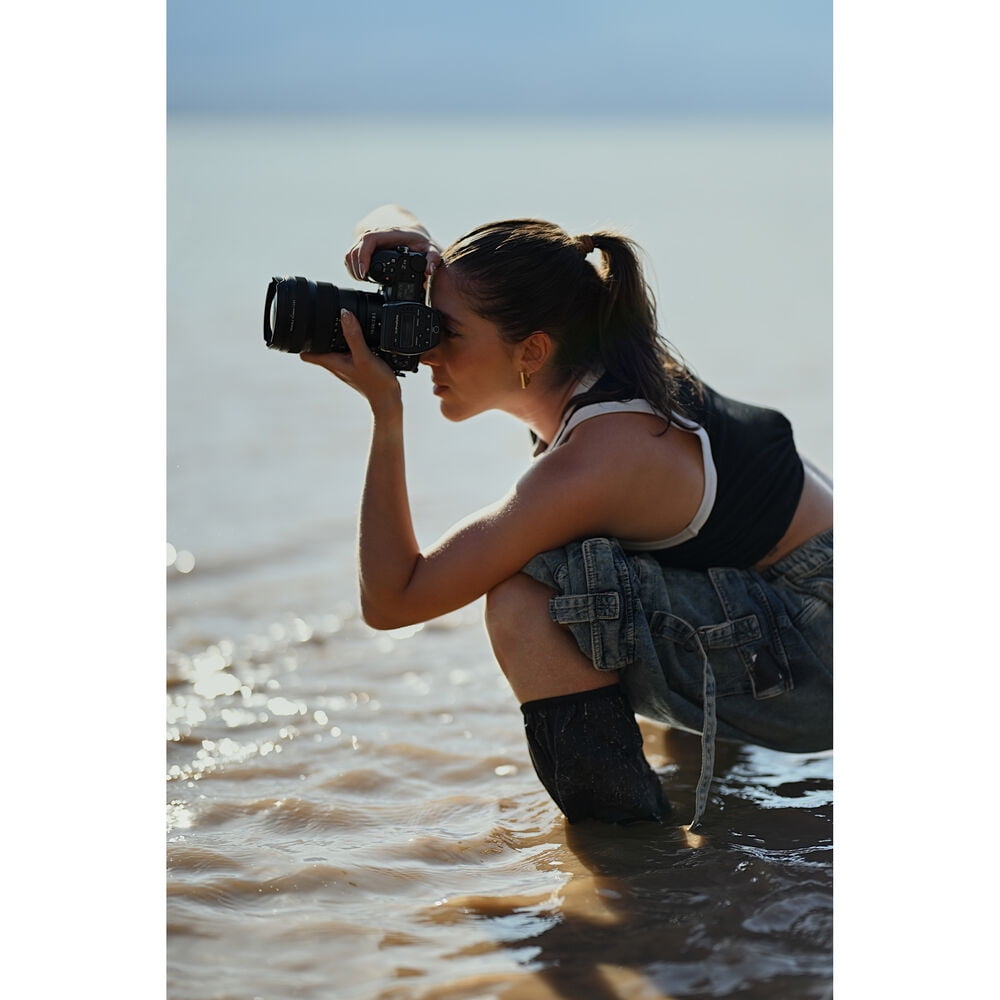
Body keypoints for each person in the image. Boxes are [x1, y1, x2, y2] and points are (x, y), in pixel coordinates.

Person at [301, 204, 833, 829]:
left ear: (532, 348)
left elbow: (393, 601)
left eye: (446, 332)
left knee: (529, 594)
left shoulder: (596, 459)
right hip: (809, 596)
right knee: (609, 561)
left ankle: (627, 852)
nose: (425, 355)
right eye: (422, 324)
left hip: (820, 654)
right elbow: (408, 224)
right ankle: (700, 781)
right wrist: (402, 238)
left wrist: (384, 413)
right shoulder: (608, 361)